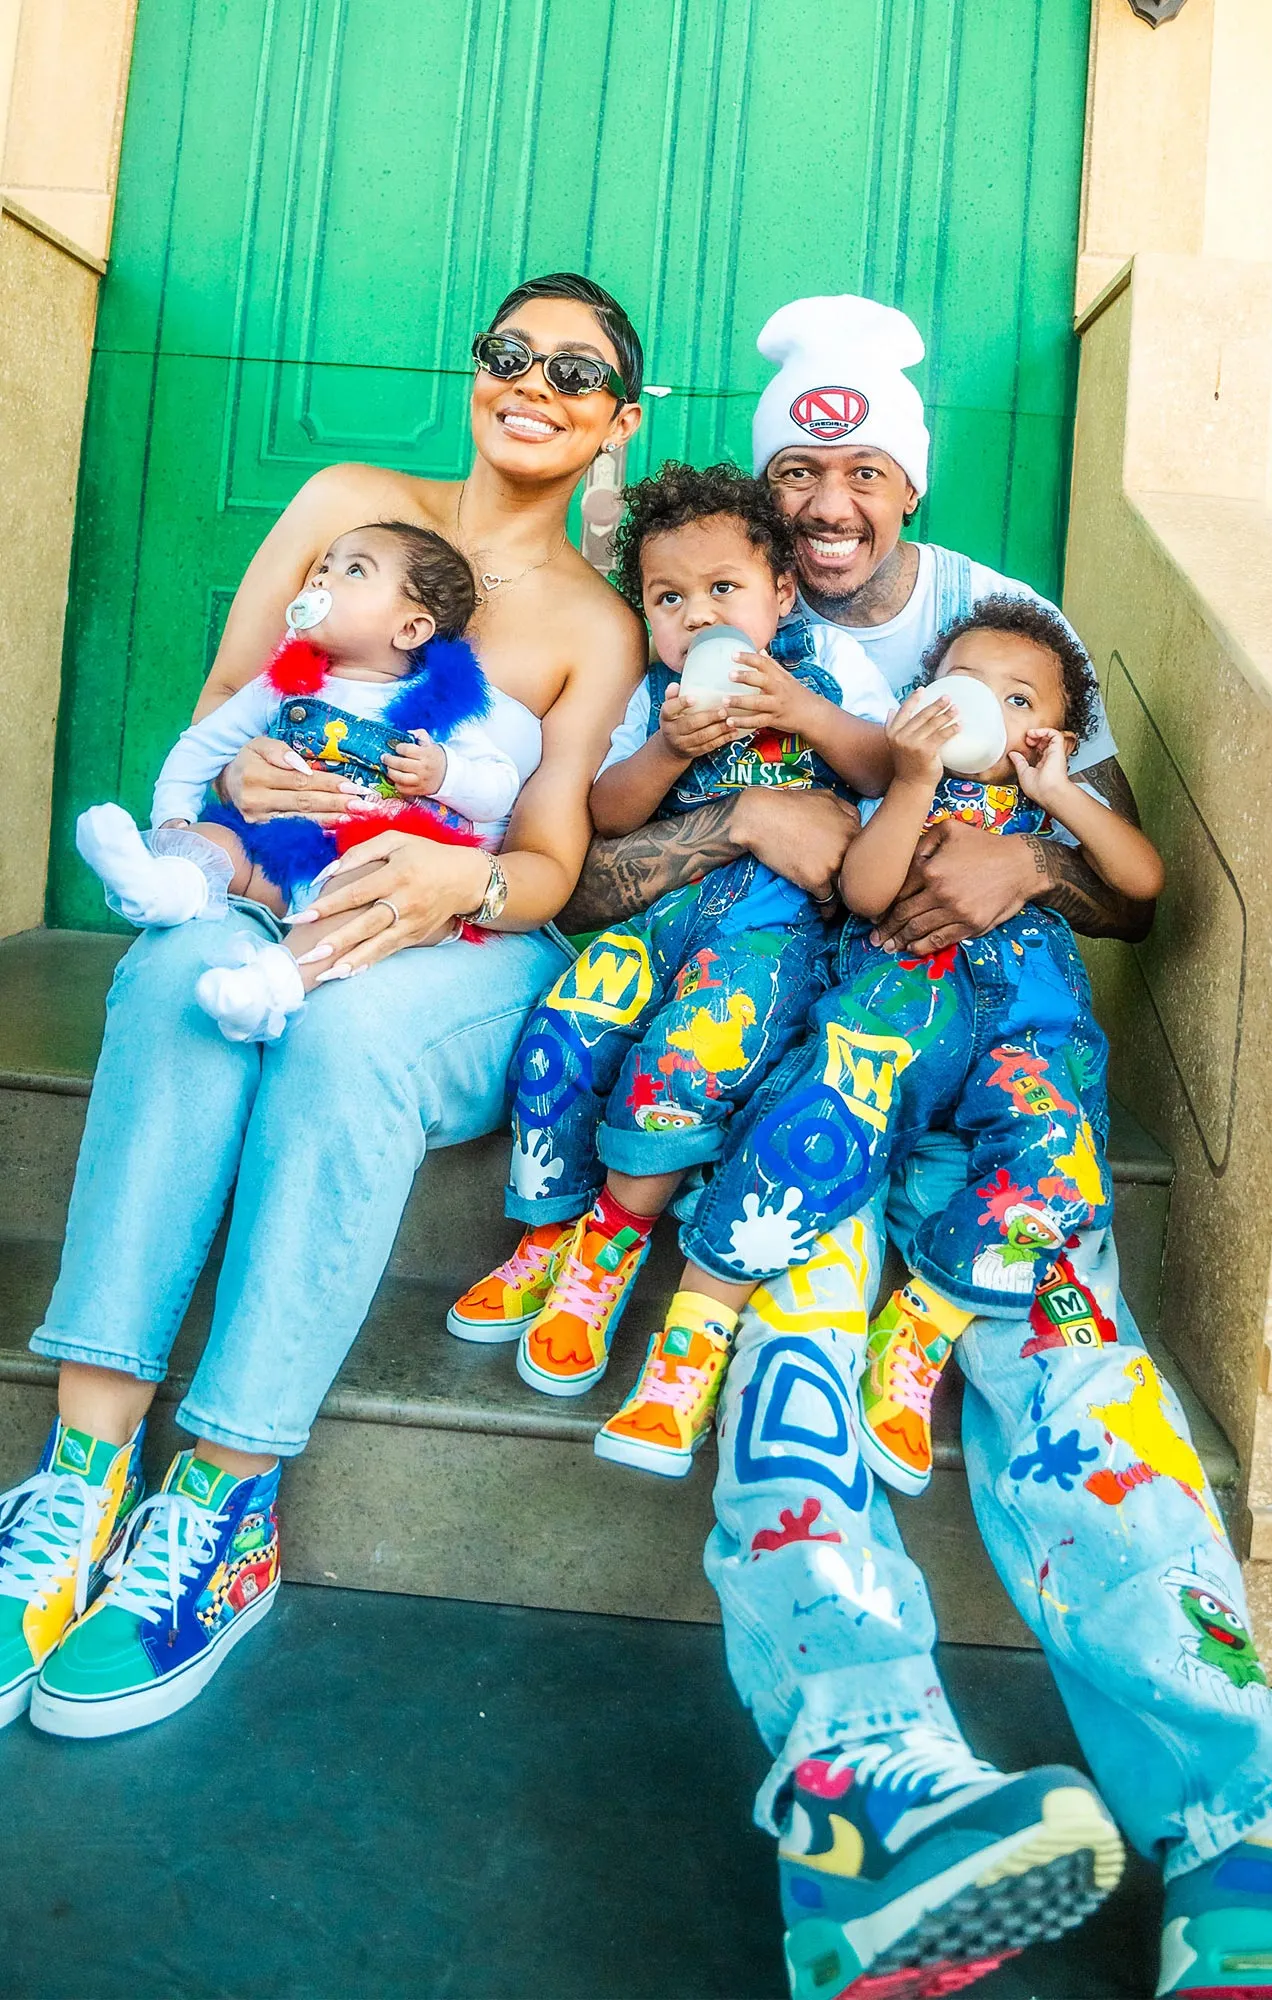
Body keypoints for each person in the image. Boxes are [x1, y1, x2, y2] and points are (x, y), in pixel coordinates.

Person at [561, 297, 1272, 1996]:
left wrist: (1027, 866)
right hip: (799, 1085)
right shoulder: (705, 624)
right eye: (794, 472)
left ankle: (1249, 1801)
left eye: (853, 470)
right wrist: (736, 817)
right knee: (794, 1363)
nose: (823, 504)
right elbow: (578, 876)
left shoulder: (1001, 616)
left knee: (1074, 1377)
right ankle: (867, 1791)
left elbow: (1123, 874)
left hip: (994, 1075)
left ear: (901, 486)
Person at [0, 271, 648, 1740]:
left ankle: (221, 1513)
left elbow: (548, 862)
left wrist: (448, 887)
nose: (533, 383)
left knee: (345, 1039)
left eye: (575, 370)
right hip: (273, 883)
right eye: (509, 352)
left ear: (615, 419)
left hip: (466, 947)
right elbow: (226, 712)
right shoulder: (349, 500)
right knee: (175, 976)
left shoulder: (591, 624)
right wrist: (234, 791)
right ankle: (79, 1483)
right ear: (476, 369)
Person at [449, 462, 892, 1478]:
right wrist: (662, 751)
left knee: (681, 1059)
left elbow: (877, 768)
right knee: (563, 1030)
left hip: (762, 940)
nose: (696, 617)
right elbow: (602, 813)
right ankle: (542, 1235)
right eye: (668, 599)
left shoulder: (825, 669)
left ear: (781, 594)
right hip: (656, 921)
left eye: (722, 590)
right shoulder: (646, 696)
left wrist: (799, 710)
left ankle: (609, 1248)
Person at [674, 593, 1164, 1497]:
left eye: (1020, 701)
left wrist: (1059, 794)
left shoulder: (1050, 812)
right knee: (817, 1108)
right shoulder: (902, 786)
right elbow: (865, 894)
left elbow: (1142, 881)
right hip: (900, 1007)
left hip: (1027, 1026)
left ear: (1056, 734)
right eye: (964, 686)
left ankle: (926, 1320)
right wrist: (908, 778)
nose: (988, 708)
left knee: (1058, 1158)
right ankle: (696, 1328)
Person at [75, 521, 531, 1045]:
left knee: (365, 894)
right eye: (324, 566)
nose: (321, 580)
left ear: (410, 630)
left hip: (358, 867)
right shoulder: (279, 690)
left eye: (354, 571)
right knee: (216, 844)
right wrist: (173, 819)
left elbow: (499, 787)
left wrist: (445, 772)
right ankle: (164, 886)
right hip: (277, 857)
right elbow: (202, 745)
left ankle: (274, 985)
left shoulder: (441, 707)